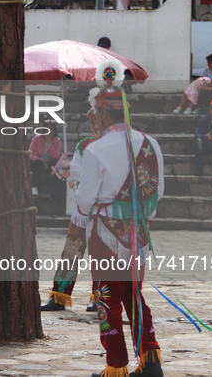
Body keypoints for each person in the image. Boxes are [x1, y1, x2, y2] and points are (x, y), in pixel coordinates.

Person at [77, 60, 165, 377]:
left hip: (104, 236)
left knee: (107, 298)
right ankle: (150, 358)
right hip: (138, 234)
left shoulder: (97, 150)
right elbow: (157, 193)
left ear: (102, 112)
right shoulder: (152, 144)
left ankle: (116, 366)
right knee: (134, 296)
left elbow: (85, 201)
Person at [41, 107, 101, 312]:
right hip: (83, 210)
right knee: (71, 252)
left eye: (98, 122)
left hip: (105, 210)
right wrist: (96, 180)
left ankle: (98, 297)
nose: (95, 126)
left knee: (101, 255)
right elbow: (75, 169)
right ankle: (59, 296)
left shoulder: (116, 146)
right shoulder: (84, 144)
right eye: (92, 122)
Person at [28, 119, 61, 196]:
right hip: (39, 164)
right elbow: (30, 153)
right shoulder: (37, 138)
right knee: (37, 163)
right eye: (47, 129)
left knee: (56, 162)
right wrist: (39, 159)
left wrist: (50, 144)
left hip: (50, 165)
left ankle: (57, 188)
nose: (49, 131)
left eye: (52, 129)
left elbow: (56, 156)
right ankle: (35, 186)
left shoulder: (57, 140)